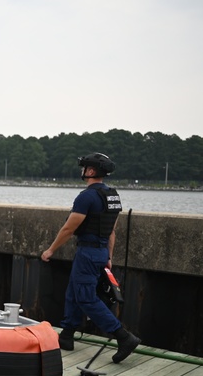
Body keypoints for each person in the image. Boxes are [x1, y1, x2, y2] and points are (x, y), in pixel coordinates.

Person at [41, 153, 141, 363]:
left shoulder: (86, 197)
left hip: (88, 252)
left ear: (92, 171)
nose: (82, 170)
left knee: (86, 297)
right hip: (101, 251)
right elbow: (112, 231)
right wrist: (109, 257)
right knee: (74, 291)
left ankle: (123, 337)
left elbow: (69, 228)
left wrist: (51, 250)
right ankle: (67, 335)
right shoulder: (112, 196)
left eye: (85, 167)